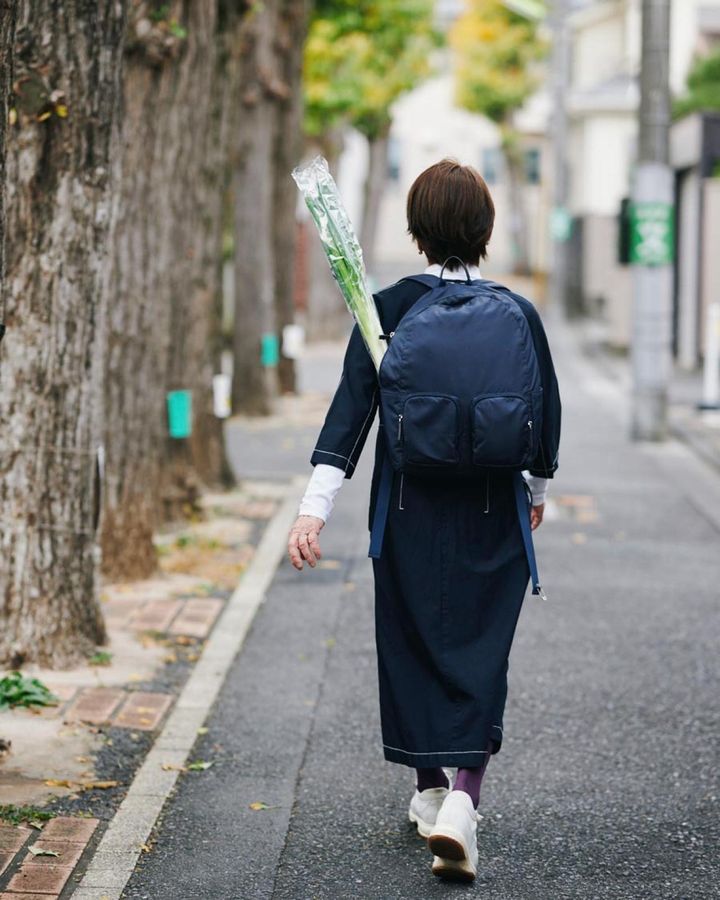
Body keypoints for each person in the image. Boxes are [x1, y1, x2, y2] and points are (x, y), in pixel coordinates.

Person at [287, 159, 561, 882]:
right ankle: (463, 798)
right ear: (485, 229)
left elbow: (349, 417)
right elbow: (545, 420)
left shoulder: (384, 309)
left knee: (413, 646)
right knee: (479, 652)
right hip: (493, 508)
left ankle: (432, 789)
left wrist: (312, 512)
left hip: (407, 510)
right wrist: (536, 491)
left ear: (415, 231)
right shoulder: (518, 312)